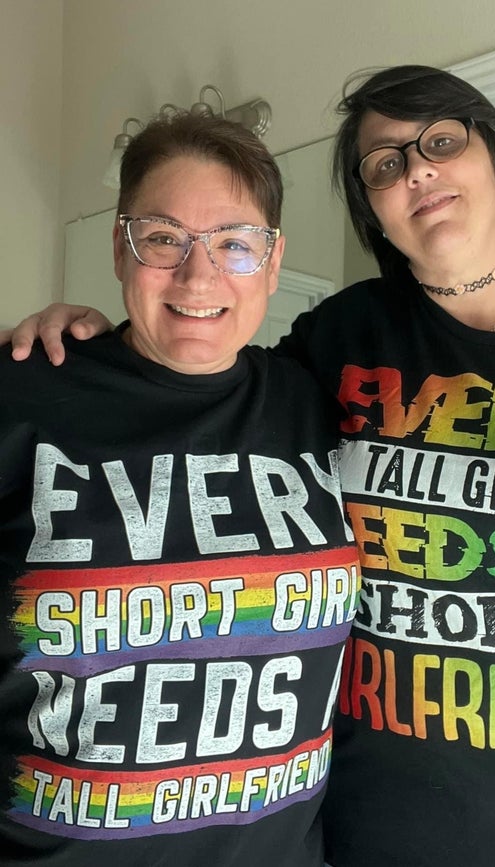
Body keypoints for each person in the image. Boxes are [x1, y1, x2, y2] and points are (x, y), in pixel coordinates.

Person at [6, 65, 495, 867]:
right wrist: (83, 341)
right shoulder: (339, 341)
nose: (416, 168)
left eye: (441, 141)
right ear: (374, 209)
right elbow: (196, 376)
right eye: (384, 163)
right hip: (374, 828)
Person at [0, 111, 361, 867]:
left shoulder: (317, 399)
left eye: (234, 243)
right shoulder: (22, 392)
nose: (199, 276)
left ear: (272, 260)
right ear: (121, 246)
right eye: (163, 238)